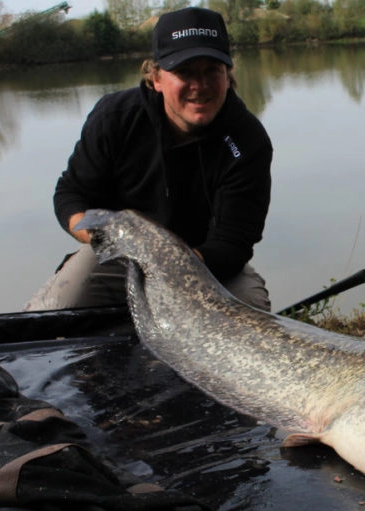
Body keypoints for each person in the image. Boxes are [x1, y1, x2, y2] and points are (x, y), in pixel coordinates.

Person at [25, 7, 273, 312]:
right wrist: (103, 239)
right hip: (117, 256)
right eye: (185, 72)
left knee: (250, 306)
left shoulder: (248, 139)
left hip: (205, 264)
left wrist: (168, 263)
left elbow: (234, 243)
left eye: (212, 70)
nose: (200, 85)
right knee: (59, 305)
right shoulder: (115, 117)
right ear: (156, 77)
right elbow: (71, 195)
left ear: (228, 75)